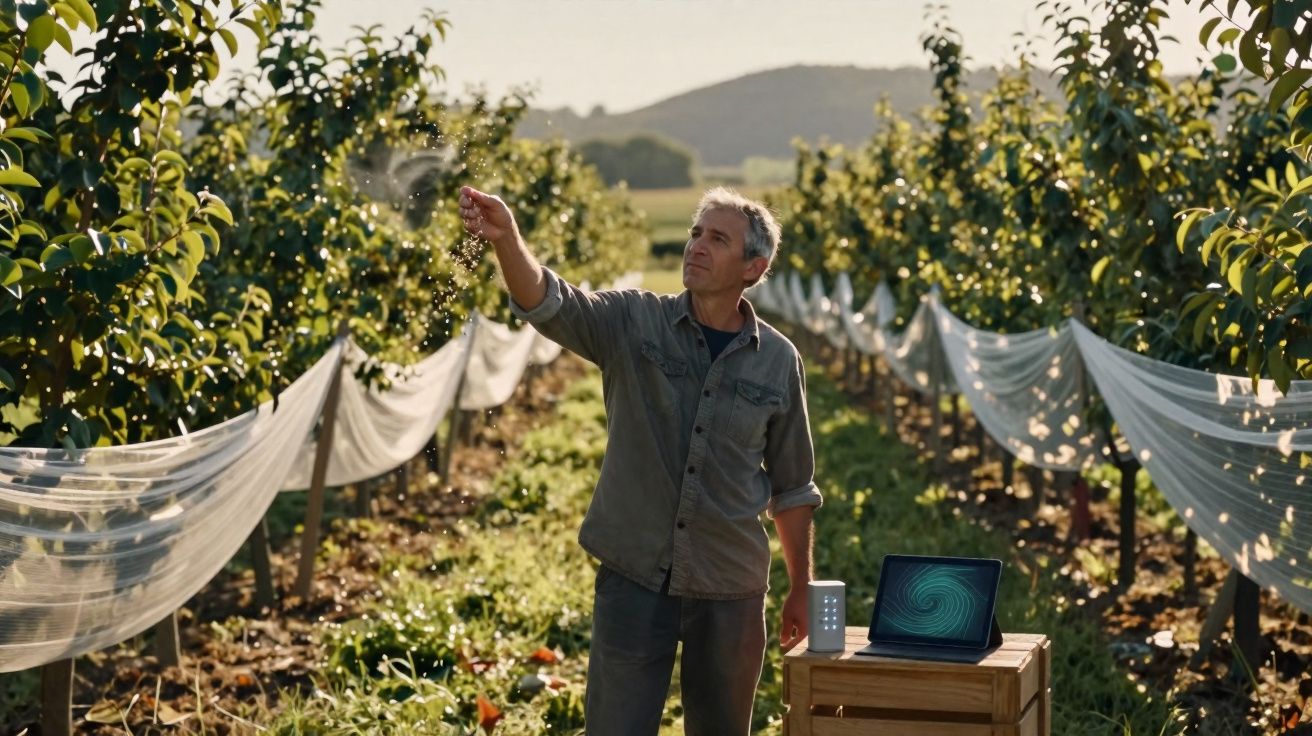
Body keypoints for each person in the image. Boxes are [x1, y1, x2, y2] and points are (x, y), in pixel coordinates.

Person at [458, 184, 821, 735]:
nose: (696, 245)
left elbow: (793, 486)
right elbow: (550, 303)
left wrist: (801, 588)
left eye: (717, 239)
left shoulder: (777, 360)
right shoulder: (634, 321)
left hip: (730, 585)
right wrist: (507, 238)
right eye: (695, 233)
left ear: (754, 267)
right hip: (634, 574)